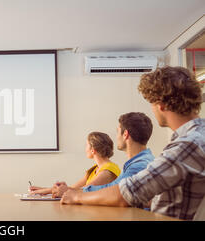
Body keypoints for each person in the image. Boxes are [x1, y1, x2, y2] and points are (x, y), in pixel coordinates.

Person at [61, 66, 205, 220]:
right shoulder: (195, 137)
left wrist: (77, 197)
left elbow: (128, 193)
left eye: (151, 103)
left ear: (161, 104)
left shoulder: (188, 145)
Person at [52, 112, 155, 197]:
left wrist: (71, 193)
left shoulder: (139, 165)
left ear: (125, 134)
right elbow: (112, 187)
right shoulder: (136, 162)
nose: (116, 137)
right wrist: (69, 191)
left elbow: (117, 193)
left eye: (117, 132)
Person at [29, 132, 121, 195]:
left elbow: (83, 191)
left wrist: (48, 191)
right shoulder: (96, 168)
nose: (85, 148)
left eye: (86, 145)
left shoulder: (108, 171)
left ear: (93, 150)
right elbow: (73, 188)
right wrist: (44, 190)